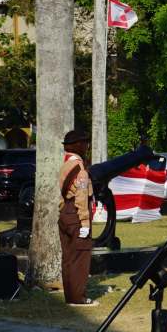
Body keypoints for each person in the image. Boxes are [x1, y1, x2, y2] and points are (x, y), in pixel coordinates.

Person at [58, 129, 95, 306]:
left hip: (65, 212)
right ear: (78, 145)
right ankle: (78, 298)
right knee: (80, 257)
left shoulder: (65, 165)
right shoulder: (80, 169)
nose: (87, 146)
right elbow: (81, 197)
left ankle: (70, 296)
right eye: (85, 143)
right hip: (77, 215)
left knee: (68, 257)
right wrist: (85, 223)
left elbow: (62, 194)